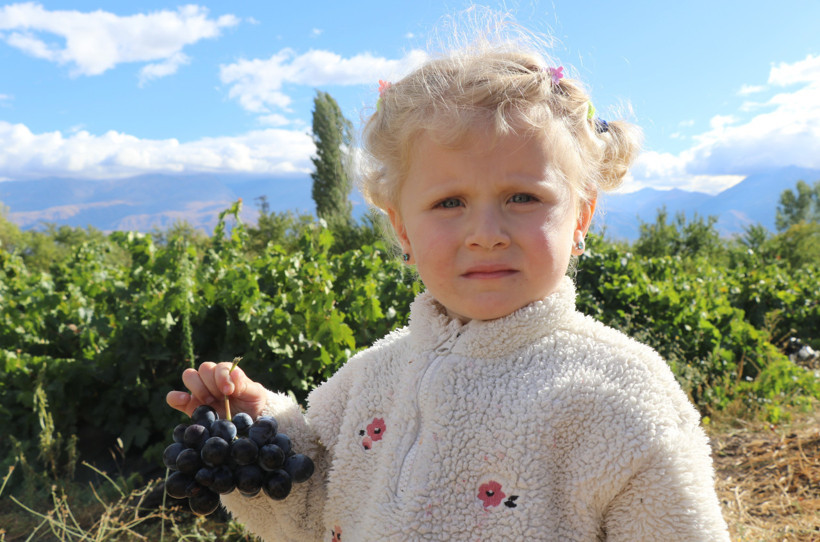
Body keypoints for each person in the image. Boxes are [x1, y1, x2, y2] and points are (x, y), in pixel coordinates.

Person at [167, 33, 730, 541]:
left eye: (522, 197)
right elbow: (316, 517)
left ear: (580, 217)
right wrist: (255, 433)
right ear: (402, 227)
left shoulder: (622, 394)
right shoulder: (369, 378)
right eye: (449, 203)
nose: (485, 234)